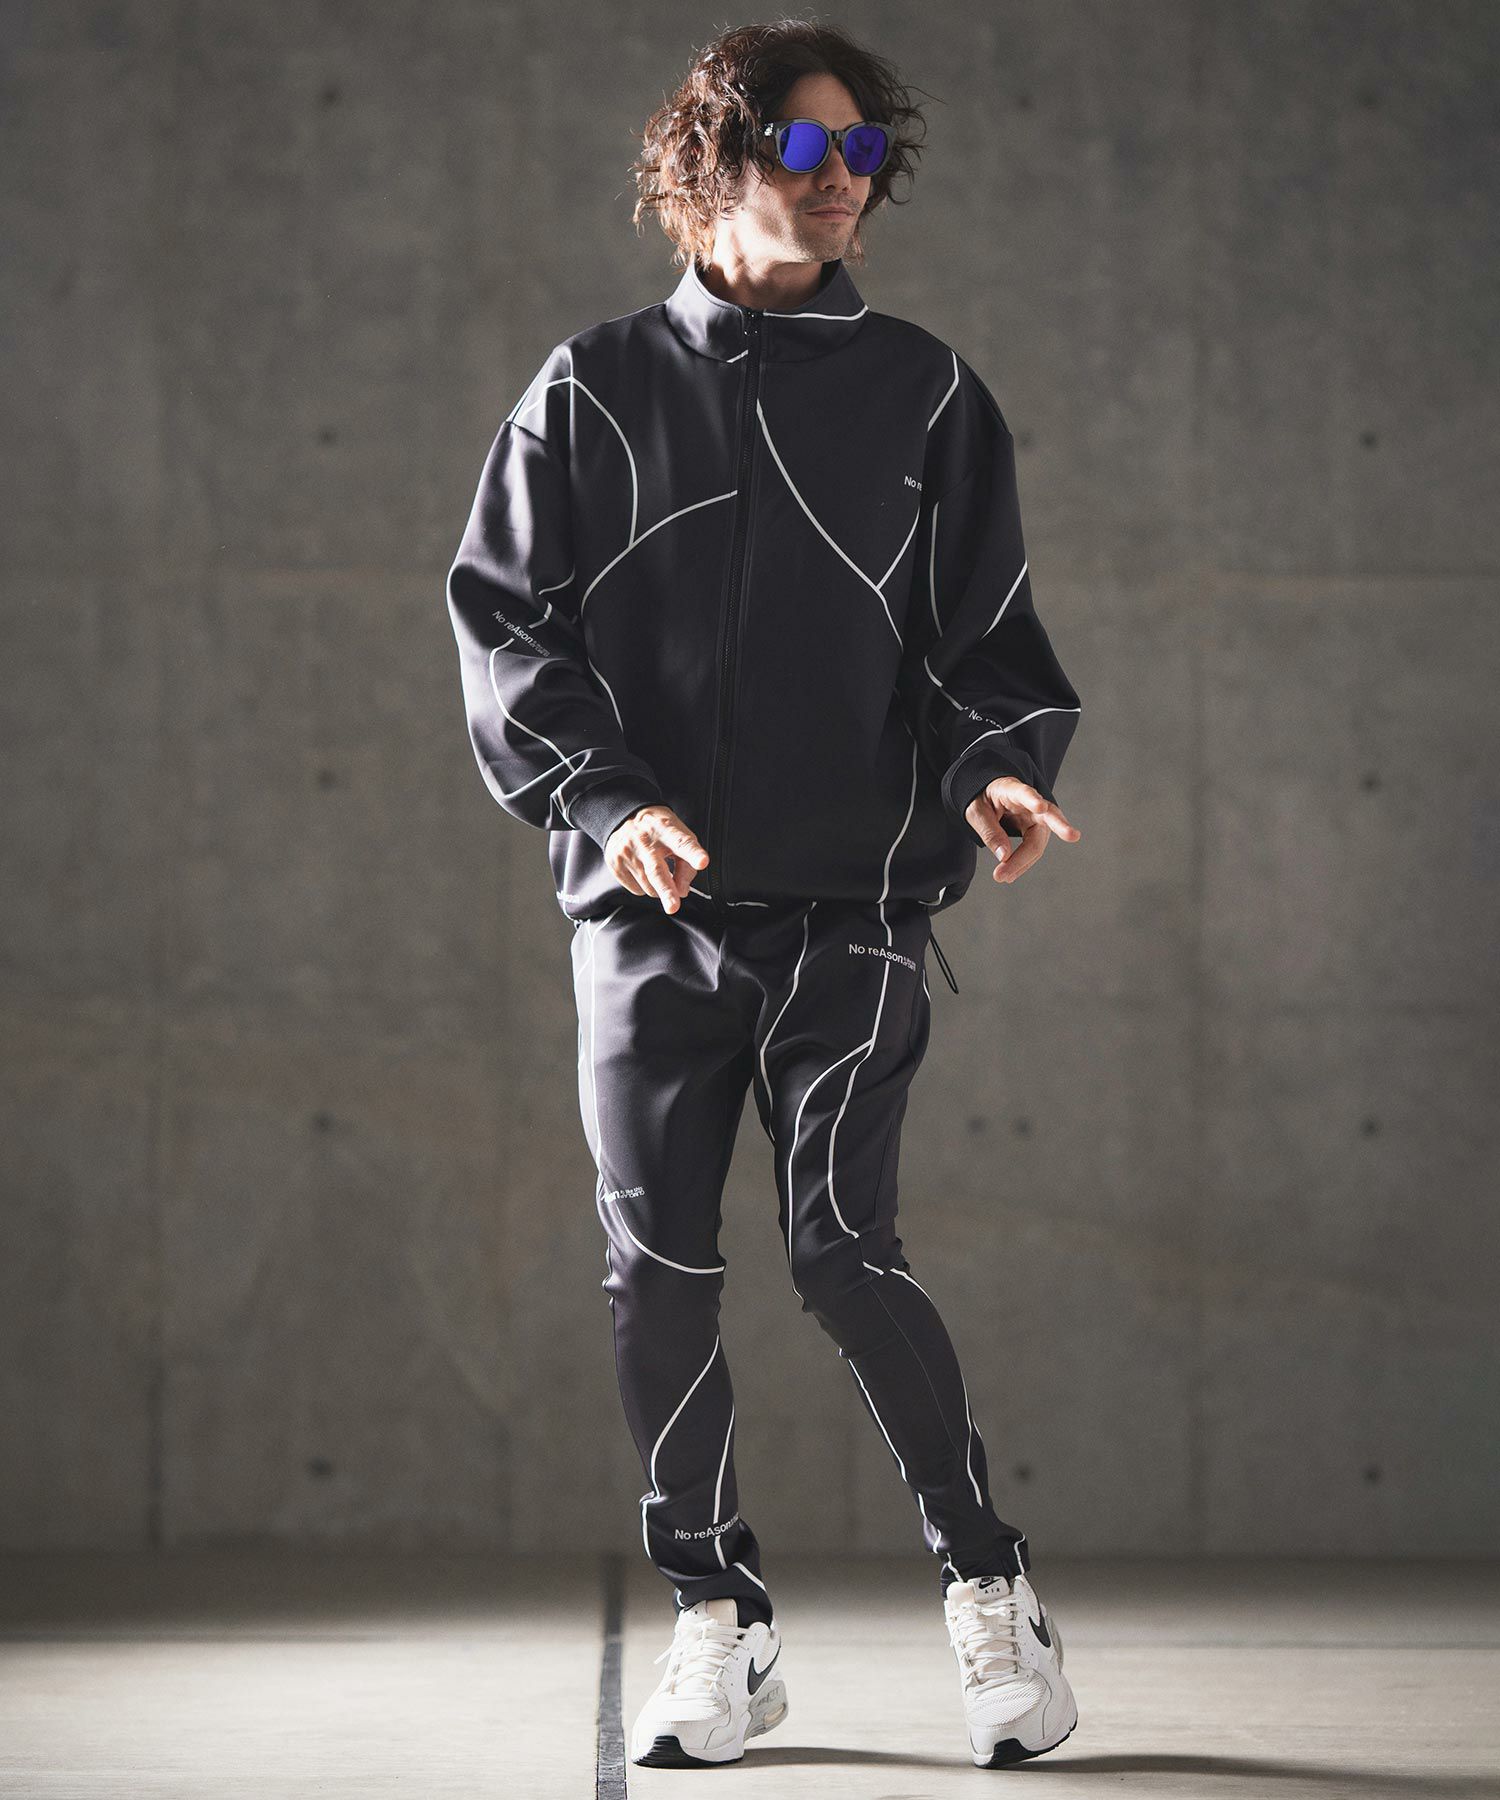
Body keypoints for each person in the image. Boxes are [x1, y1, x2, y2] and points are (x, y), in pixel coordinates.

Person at [444, 18, 1083, 1772]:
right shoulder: (592, 391)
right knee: (656, 1269)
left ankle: (992, 1587)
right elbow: (508, 624)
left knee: (841, 1252)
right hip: (647, 917)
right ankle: (715, 1622)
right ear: (710, 162)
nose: (841, 180)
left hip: (854, 912)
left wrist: (995, 767)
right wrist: (610, 799)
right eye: (805, 148)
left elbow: (983, 643)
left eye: (864, 151)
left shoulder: (928, 398)